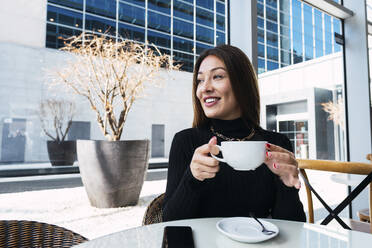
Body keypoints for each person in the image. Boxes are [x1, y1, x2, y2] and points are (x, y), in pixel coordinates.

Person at [162, 45, 306, 222]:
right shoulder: (186, 141)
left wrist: (288, 186)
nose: (204, 88)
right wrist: (192, 178)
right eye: (200, 80)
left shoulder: (276, 144)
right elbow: (169, 222)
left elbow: (293, 227)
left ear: (243, 83)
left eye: (217, 76)